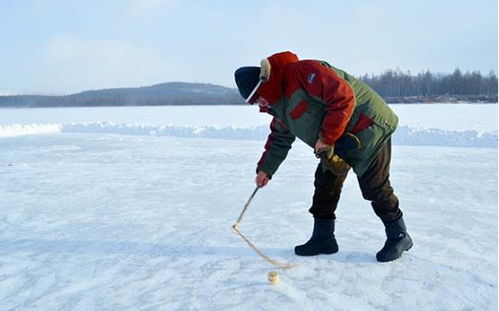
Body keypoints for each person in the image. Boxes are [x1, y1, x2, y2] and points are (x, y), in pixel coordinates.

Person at [234, 51, 413, 262]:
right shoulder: (280, 105)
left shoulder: (303, 72)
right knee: (325, 184)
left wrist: (326, 138)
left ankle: (399, 235)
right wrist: (266, 169)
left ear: (263, 87)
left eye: (257, 99)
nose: (260, 105)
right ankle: (323, 238)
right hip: (340, 140)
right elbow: (279, 138)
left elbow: (343, 96)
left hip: (369, 126)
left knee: (374, 185)